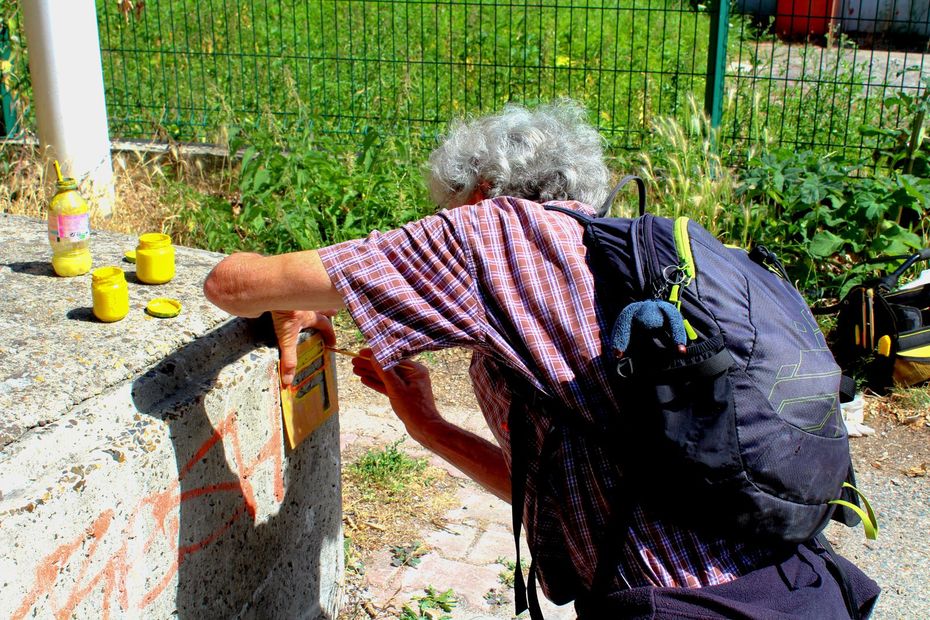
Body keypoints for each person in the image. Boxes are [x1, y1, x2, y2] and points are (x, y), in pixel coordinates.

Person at [203, 100, 879, 618]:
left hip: (685, 608)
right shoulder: (612, 262)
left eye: (444, 205)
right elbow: (569, 493)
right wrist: (429, 428)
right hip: (795, 588)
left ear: (478, 190)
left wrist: (290, 298)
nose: (438, 219)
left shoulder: (492, 233)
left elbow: (230, 285)